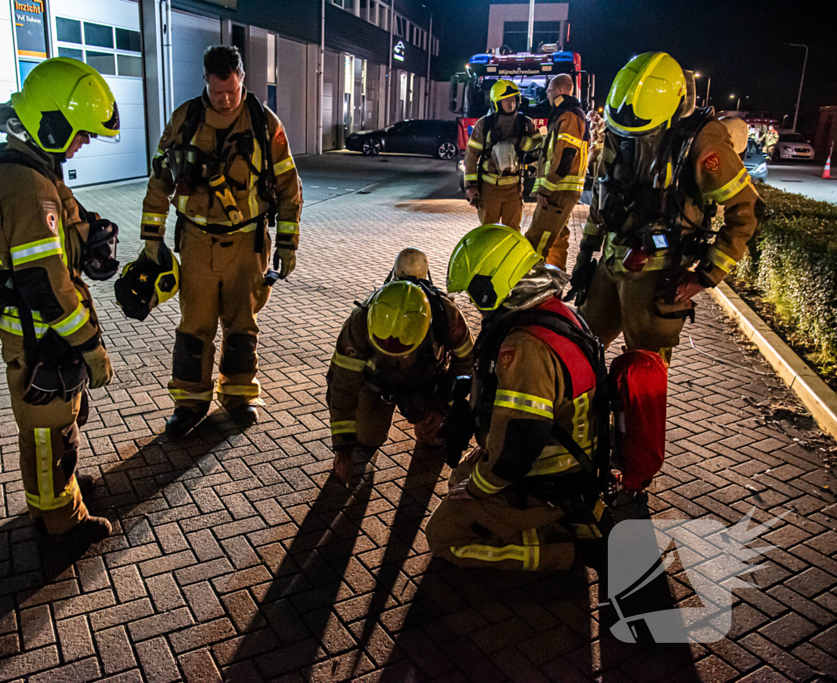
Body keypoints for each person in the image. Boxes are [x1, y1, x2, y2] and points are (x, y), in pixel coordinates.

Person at [569, 52, 761, 494]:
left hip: (659, 279)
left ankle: (635, 476)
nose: (629, 137)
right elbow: (602, 200)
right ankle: (574, 449)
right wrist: (584, 259)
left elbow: (745, 212)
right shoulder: (623, 128)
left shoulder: (704, 142)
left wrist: (706, 275)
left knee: (645, 384)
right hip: (612, 264)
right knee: (578, 352)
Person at [0, 57, 120, 546]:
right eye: (80, 133)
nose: (84, 143)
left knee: (50, 429)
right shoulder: (25, 185)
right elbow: (46, 283)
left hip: (41, 329)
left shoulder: (32, 170)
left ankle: (52, 504)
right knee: (49, 434)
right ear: (53, 120)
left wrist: (90, 235)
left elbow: (61, 238)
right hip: (43, 333)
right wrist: (90, 346)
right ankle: (62, 522)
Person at [137, 46, 303, 437]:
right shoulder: (185, 119)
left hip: (247, 243)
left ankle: (239, 395)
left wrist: (288, 243)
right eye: (217, 93)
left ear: (241, 78)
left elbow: (287, 185)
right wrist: (151, 238)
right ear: (206, 83)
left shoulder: (265, 122)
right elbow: (160, 180)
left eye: (231, 91)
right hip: (195, 240)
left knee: (242, 324)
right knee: (194, 326)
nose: (225, 100)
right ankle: (190, 402)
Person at [425, 225, 608, 570]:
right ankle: (557, 520)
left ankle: (563, 550)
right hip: (568, 462)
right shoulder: (555, 310)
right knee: (459, 479)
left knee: (443, 536)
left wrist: (483, 485)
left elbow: (521, 440)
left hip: (543, 478)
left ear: (491, 286)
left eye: (474, 294)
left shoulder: (524, 346)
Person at [328, 249, 474, 485]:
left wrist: (443, 406)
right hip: (378, 386)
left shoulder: (446, 314)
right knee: (366, 438)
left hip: (427, 385)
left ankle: (427, 419)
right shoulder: (360, 320)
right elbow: (342, 386)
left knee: (436, 437)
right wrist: (343, 449)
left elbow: (467, 362)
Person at [524, 73, 591, 270]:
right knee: (558, 239)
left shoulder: (568, 115)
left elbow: (565, 156)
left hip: (558, 191)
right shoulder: (567, 114)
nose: (547, 93)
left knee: (537, 240)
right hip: (562, 190)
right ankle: (554, 286)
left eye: (550, 89)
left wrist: (546, 188)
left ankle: (532, 288)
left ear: (560, 90)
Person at [463, 80, 543, 229]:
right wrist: (470, 186)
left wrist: (523, 144)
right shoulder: (484, 125)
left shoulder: (526, 123)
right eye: (506, 99)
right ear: (496, 102)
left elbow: (539, 148)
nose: (511, 103)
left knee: (512, 230)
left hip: (514, 188)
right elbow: (471, 157)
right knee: (488, 230)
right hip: (489, 188)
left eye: (513, 99)